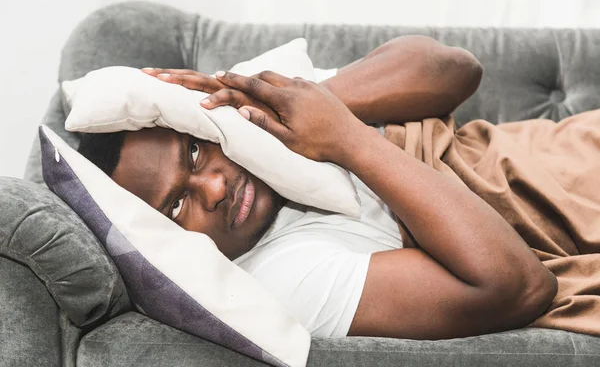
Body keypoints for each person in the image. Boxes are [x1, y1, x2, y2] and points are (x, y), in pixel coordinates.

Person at [78, 35, 574, 340]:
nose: (214, 188)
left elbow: (455, 67)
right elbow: (516, 287)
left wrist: (303, 107)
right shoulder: (277, 279)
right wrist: (348, 141)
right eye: (177, 205)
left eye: (194, 152)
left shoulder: (266, 116)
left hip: (566, 149)